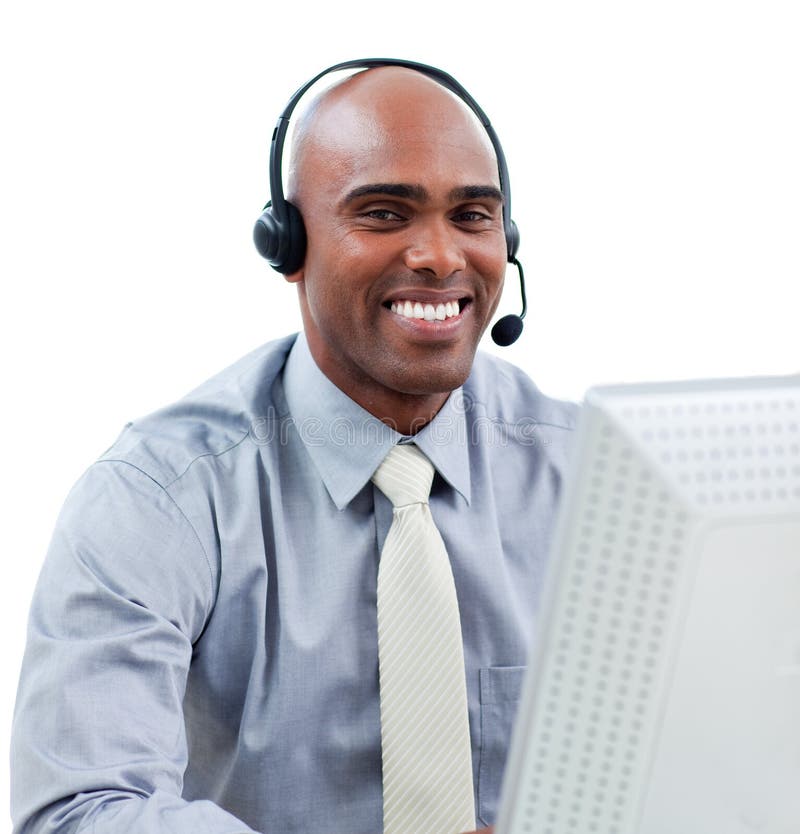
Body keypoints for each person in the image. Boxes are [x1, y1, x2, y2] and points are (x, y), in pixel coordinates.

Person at [10, 62, 577, 834]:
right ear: (289, 246)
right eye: (383, 214)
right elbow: (78, 811)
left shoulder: (594, 476)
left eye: (472, 216)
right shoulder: (161, 496)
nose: (441, 256)